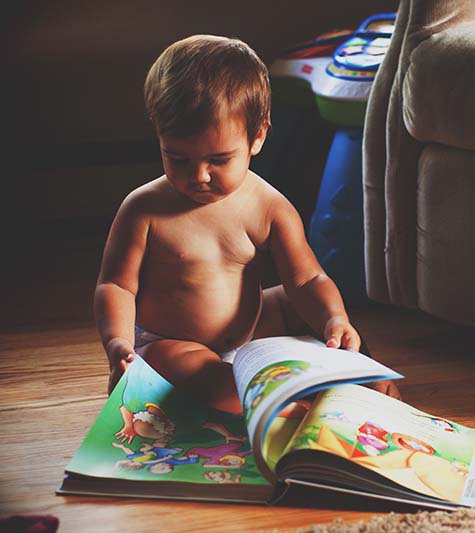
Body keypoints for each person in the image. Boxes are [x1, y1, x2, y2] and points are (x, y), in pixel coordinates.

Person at [95, 35, 400, 414]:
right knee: (194, 376)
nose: (199, 175)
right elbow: (116, 285)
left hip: (253, 325)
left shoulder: (269, 206)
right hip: (172, 341)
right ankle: (274, 404)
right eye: (178, 159)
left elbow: (307, 280)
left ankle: (362, 374)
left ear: (258, 137)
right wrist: (117, 344)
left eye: (219, 160)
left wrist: (334, 319)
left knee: (306, 309)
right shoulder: (144, 210)